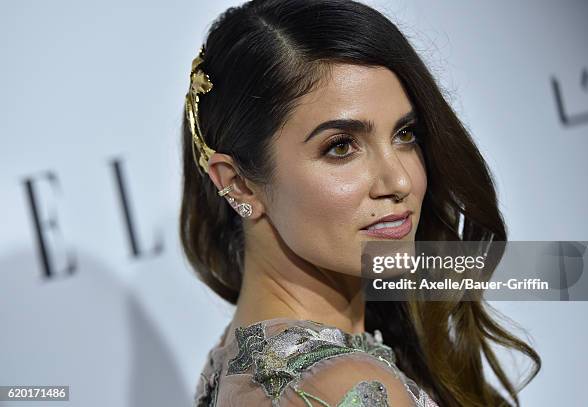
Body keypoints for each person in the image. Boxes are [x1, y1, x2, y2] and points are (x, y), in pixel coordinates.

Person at [179, 0, 541, 405]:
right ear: (240, 185)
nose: (399, 180)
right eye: (340, 147)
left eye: (405, 134)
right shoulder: (347, 388)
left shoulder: (239, 359)